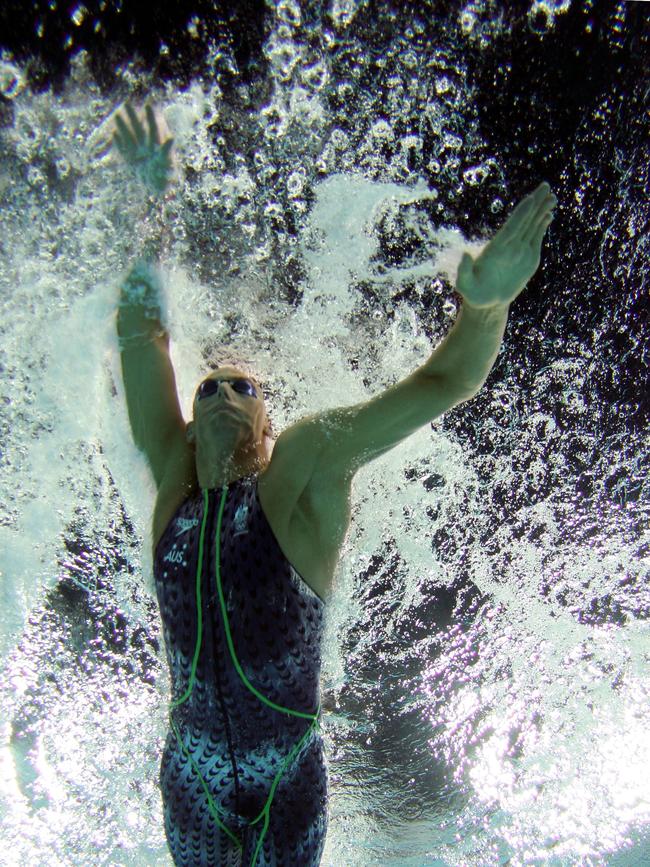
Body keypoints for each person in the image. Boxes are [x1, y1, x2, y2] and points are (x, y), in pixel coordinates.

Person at [113, 103, 557, 867]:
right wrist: (150, 205)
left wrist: (486, 305)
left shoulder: (307, 465)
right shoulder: (172, 480)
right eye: (209, 386)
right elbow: (139, 335)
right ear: (186, 421)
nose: (220, 394)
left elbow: (445, 380)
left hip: (288, 780)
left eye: (242, 387)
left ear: (266, 423)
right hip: (192, 779)